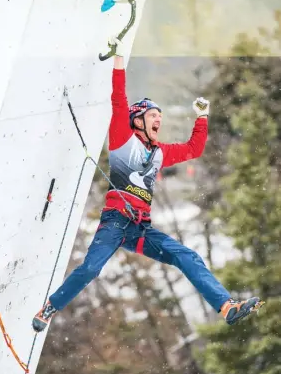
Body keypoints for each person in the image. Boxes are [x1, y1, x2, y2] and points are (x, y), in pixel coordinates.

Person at [32, 36, 263, 333]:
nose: (159, 120)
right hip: (115, 223)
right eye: (154, 116)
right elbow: (118, 99)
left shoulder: (160, 153)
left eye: (160, 117)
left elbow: (194, 149)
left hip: (141, 229)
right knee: (91, 269)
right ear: (137, 121)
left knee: (186, 256)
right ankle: (50, 306)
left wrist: (202, 117)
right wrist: (118, 59)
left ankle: (226, 306)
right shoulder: (121, 139)